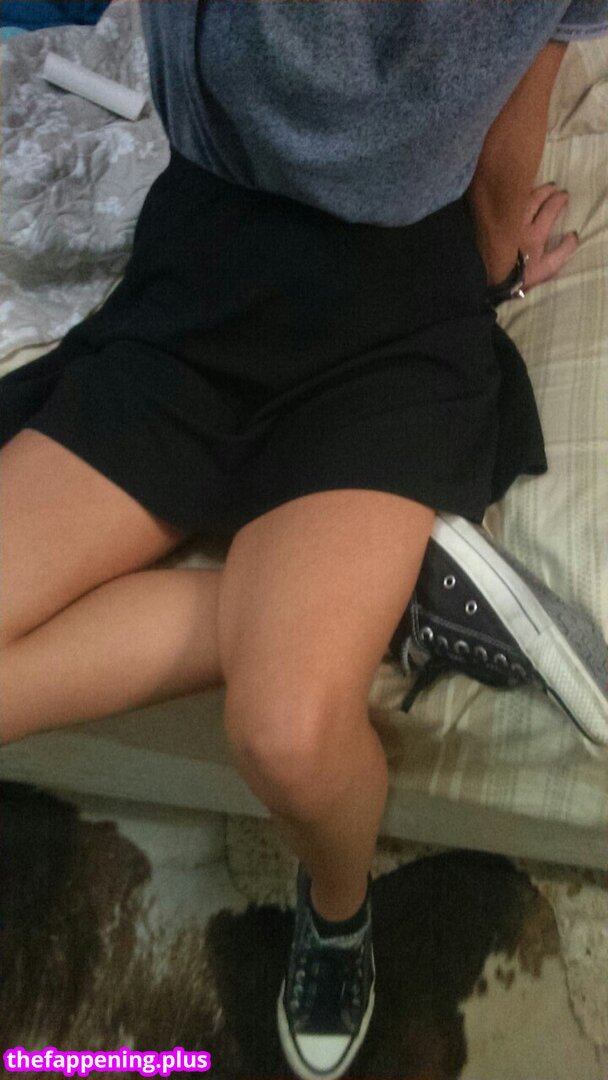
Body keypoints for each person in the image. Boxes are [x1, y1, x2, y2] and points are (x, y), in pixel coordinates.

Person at [1, 1, 607, 1076]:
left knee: (285, 731)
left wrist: (493, 260)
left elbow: (528, 61)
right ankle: (389, 596)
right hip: (197, 279)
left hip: (390, 313)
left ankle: (336, 908)